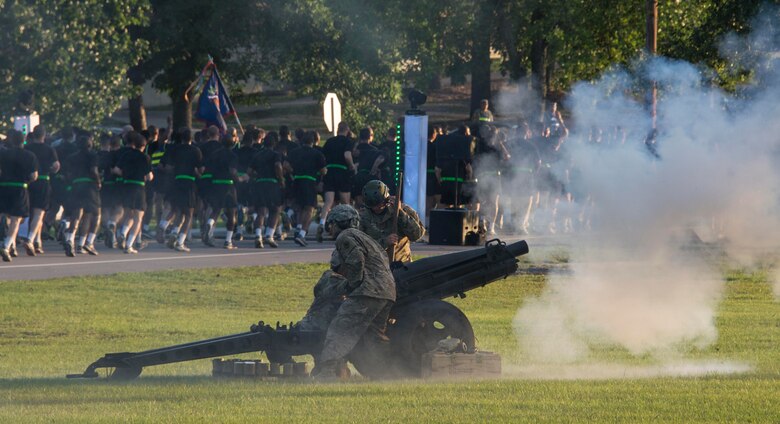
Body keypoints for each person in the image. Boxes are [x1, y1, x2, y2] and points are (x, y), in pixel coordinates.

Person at [311, 204, 396, 381]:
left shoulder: (345, 236)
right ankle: (387, 372)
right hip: (387, 292)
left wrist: (352, 285)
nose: (330, 228)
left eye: (331, 224)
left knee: (340, 328)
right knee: (375, 336)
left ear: (337, 223)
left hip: (368, 291)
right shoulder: (366, 238)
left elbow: (356, 260)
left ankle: (328, 373)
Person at [358, 180, 425, 263]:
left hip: (401, 264)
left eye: (379, 205)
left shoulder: (404, 211)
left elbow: (416, 235)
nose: (376, 209)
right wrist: (384, 242)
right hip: (376, 266)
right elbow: (359, 245)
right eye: (372, 206)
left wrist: (400, 213)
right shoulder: (362, 217)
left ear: (386, 199)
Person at [162, 127, 203, 252]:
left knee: (177, 210)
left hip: (176, 181)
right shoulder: (196, 150)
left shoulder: (175, 149)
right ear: (191, 138)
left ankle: (168, 230)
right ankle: (180, 242)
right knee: (189, 214)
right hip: (189, 182)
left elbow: (168, 167)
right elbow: (200, 170)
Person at [0, 130, 38, 262]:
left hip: (3, 187)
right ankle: (6, 245)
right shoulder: (30, 156)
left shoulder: (3, 154)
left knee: (3, 213)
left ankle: (9, 240)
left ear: (11, 141)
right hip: (19, 188)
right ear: (24, 141)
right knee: (17, 219)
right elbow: (34, 176)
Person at [203, 133, 245, 249]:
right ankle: (228, 241)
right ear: (233, 144)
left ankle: (209, 223)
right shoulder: (233, 155)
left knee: (216, 209)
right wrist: (240, 178)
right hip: (228, 186)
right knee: (232, 213)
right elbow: (232, 171)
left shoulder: (214, 154)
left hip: (215, 184)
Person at [114, 131, 153, 254]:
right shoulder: (145, 157)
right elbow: (148, 177)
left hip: (126, 186)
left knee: (129, 214)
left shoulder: (126, 155)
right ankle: (129, 244)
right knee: (138, 218)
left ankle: (123, 233)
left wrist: (125, 174)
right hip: (139, 187)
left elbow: (116, 170)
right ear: (144, 146)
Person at [62, 135, 101, 257]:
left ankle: (70, 239)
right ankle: (88, 242)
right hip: (89, 186)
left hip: (76, 186)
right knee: (95, 214)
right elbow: (94, 170)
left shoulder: (71, 157)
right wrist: (98, 181)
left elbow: (67, 174)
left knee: (76, 215)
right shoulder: (93, 155)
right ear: (90, 144)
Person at [286, 130, 327, 247]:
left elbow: (285, 165)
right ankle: (302, 235)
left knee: (299, 206)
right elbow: (323, 170)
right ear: (314, 141)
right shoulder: (317, 153)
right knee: (309, 209)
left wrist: (293, 173)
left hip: (297, 180)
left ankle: (294, 222)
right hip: (309, 181)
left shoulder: (294, 152)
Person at [317, 122, 356, 242]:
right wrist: (352, 167)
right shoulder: (347, 142)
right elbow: (347, 155)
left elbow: (322, 157)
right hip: (342, 172)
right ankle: (350, 228)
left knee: (328, 202)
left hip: (330, 172)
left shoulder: (329, 141)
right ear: (347, 130)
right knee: (345, 202)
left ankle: (322, 223)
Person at [24, 125, 59, 255]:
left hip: (28, 182)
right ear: (44, 135)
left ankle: (38, 242)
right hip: (43, 181)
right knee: (39, 213)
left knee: (32, 213)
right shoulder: (50, 149)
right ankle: (30, 239)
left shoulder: (27, 148)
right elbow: (56, 166)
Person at [248, 131, 284, 248]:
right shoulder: (275, 154)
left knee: (261, 211)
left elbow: (250, 171)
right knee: (275, 210)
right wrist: (281, 179)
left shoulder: (257, 155)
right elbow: (278, 166)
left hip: (260, 183)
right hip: (272, 183)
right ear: (274, 144)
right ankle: (269, 235)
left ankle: (258, 236)